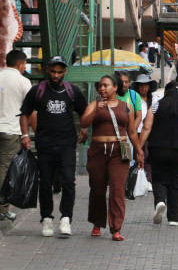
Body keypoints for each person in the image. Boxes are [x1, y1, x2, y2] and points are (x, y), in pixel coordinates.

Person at [19, 56, 88, 236]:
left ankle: (66, 219)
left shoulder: (72, 91)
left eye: (59, 72)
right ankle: (47, 219)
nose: (56, 75)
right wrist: (25, 135)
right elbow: (24, 113)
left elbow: (85, 112)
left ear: (65, 72)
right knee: (46, 183)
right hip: (45, 145)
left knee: (68, 182)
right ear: (47, 70)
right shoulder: (37, 91)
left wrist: (85, 128)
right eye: (53, 71)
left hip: (67, 144)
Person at [80, 74, 144, 241]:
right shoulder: (94, 104)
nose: (102, 88)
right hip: (98, 151)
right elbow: (84, 123)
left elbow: (131, 132)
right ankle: (96, 223)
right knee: (98, 189)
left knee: (117, 190)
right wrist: (95, 110)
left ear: (115, 87)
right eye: (100, 86)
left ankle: (116, 228)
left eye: (106, 85)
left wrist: (139, 151)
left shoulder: (125, 107)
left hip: (119, 152)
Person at [139, 82, 178, 226]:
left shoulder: (156, 106)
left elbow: (146, 127)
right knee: (176, 183)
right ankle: (174, 218)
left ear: (165, 93)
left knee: (158, 179)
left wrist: (139, 148)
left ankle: (159, 201)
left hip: (157, 149)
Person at [0, 50, 32, 222]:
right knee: (4, 169)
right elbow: (29, 110)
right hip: (10, 131)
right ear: (20, 64)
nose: (25, 67)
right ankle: (2, 209)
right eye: (25, 64)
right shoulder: (23, 81)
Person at [131, 74, 157, 185]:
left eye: (145, 85)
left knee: (148, 156)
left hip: (149, 133)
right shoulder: (133, 99)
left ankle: (147, 179)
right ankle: (134, 179)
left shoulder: (155, 99)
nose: (143, 88)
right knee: (135, 155)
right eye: (141, 85)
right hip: (135, 131)